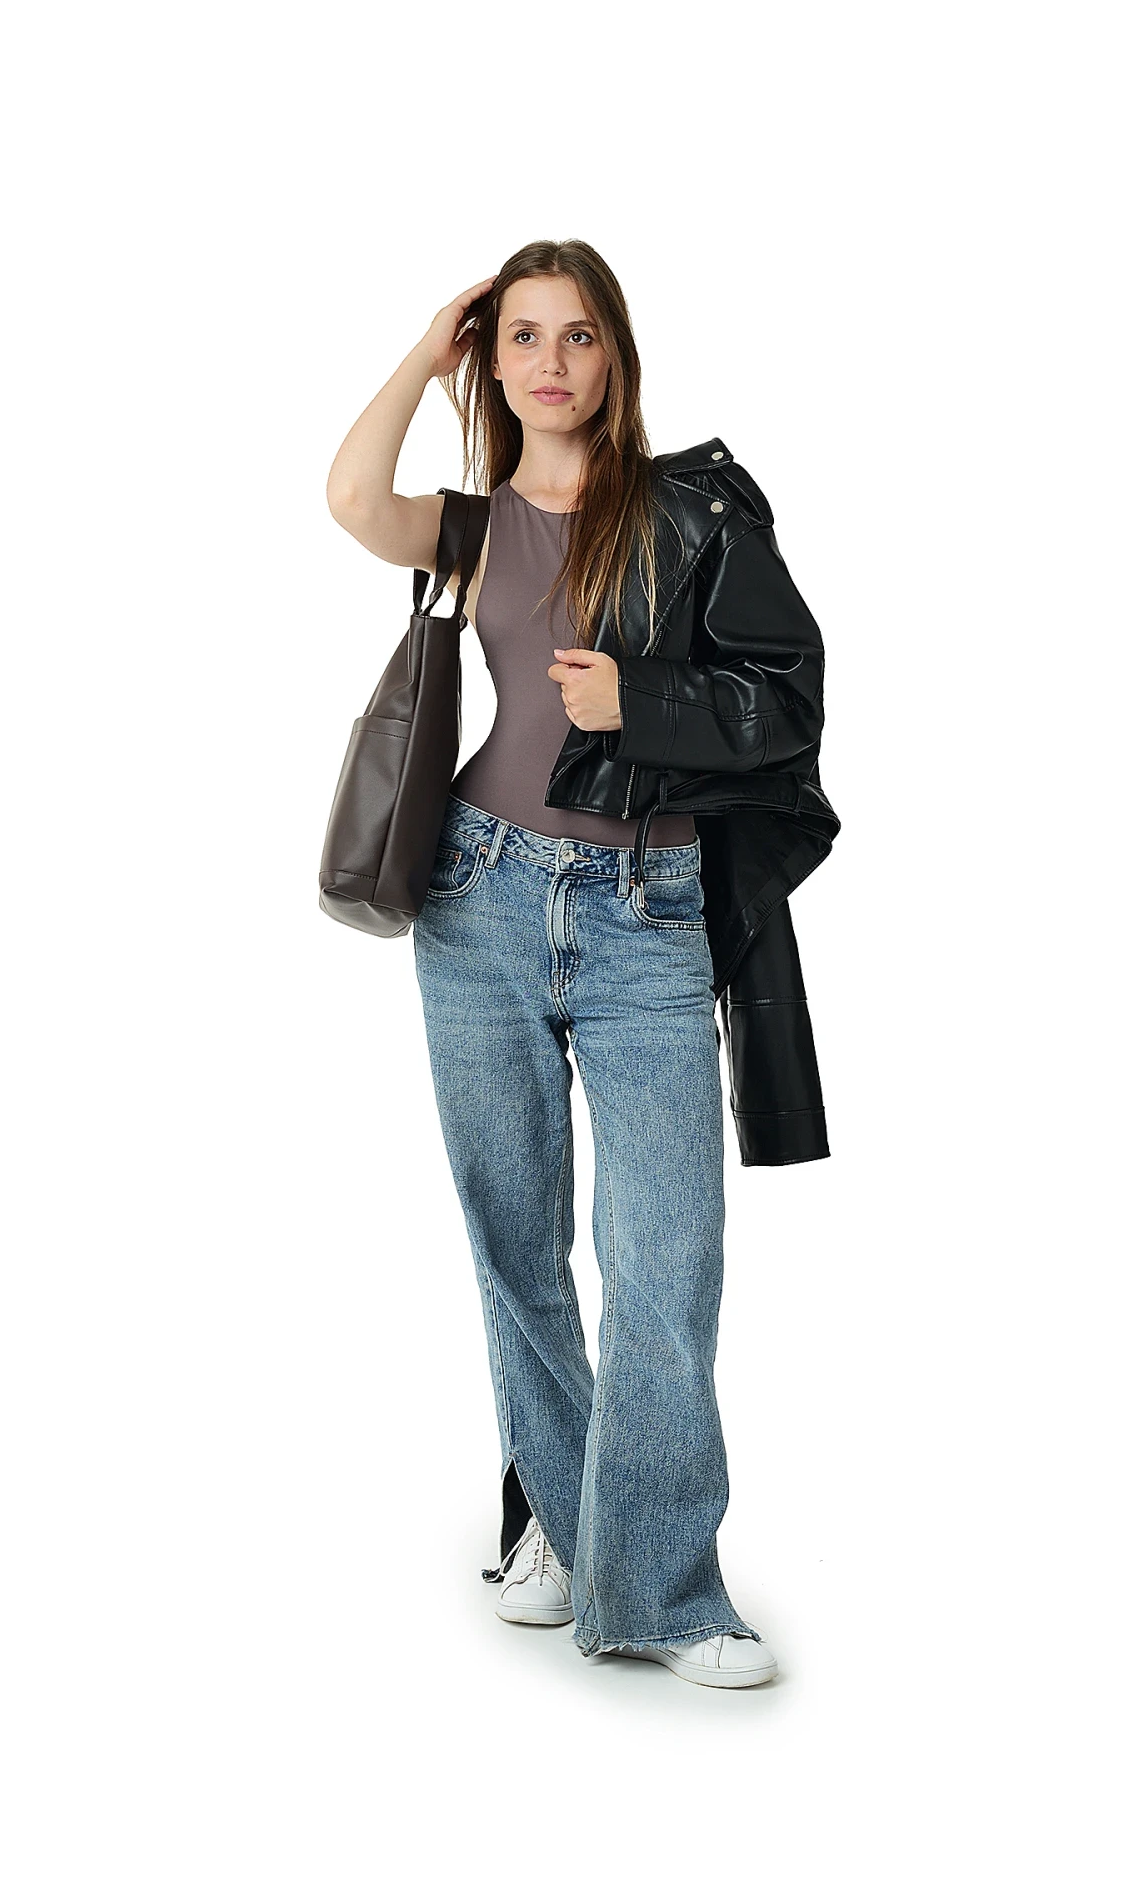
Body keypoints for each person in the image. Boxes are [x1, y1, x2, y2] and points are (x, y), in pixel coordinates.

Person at [326, 240, 839, 1690]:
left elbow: (790, 695)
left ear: (616, 357)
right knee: (516, 1245)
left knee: (665, 1261)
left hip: (645, 909)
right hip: (477, 894)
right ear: (493, 364)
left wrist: (644, 699)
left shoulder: (691, 513)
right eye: (522, 337)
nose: (550, 362)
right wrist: (428, 347)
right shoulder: (476, 526)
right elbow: (352, 498)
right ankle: (560, 1523)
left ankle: (664, 1590)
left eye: (578, 336)